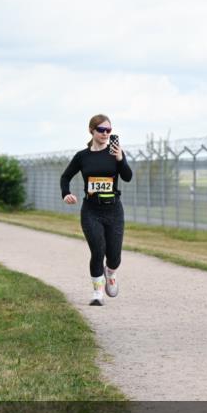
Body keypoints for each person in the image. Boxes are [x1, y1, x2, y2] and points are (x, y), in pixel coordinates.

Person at [60, 114, 133, 306]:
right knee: (98, 251)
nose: (105, 133)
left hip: (114, 210)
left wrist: (119, 159)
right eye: (101, 130)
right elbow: (65, 177)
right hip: (91, 210)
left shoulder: (115, 152)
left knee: (114, 256)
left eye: (109, 130)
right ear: (91, 130)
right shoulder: (82, 156)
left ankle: (111, 273)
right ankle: (97, 293)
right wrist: (65, 193)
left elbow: (127, 177)